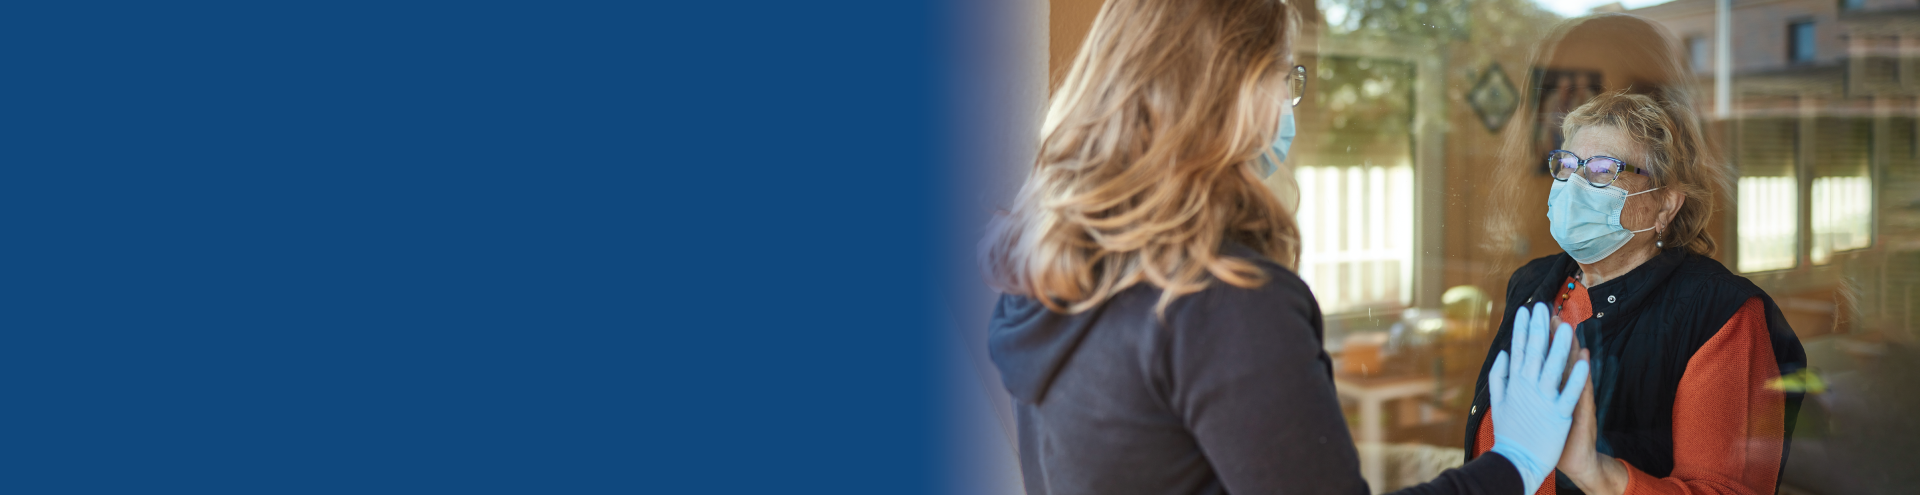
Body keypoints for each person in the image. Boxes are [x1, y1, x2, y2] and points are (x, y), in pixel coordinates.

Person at [980, 1, 1586, 493]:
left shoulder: (1063, 276)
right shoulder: (1219, 301)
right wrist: (1513, 465)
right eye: (1285, 76)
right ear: (1233, 89)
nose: (1293, 105)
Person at [1462, 19, 1809, 494]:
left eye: (1604, 171)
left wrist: (1596, 472)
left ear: (1666, 203)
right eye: (1566, 165)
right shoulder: (1532, 284)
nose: (1574, 186)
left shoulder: (1718, 313)